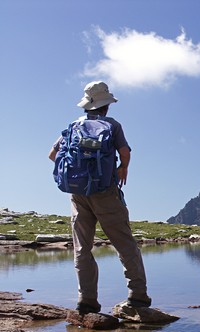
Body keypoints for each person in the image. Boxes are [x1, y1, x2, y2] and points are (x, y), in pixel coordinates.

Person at [49, 81, 152, 314]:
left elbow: (52, 154)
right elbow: (124, 152)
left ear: (87, 105)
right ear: (106, 106)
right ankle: (138, 296)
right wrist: (122, 168)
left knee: (82, 248)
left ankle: (87, 301)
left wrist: (77, 174)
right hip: (105, 192)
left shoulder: (73, 126)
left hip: (78, 194)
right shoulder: (112, 126)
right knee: (124, 243)